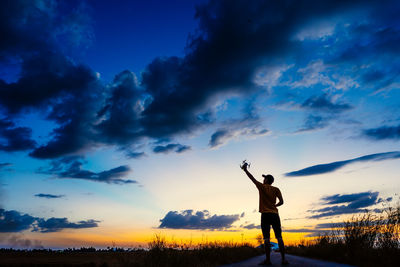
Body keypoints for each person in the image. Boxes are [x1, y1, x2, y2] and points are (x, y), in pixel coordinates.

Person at [241, 161, 288, 265]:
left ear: (267, 180)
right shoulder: (276, 189)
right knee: (279, 237)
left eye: (264, 178)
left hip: (265, 215)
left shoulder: (261, 187)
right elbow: (282, 202)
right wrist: (275, 206)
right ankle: (284, 259)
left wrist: (245, 170)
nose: (263, 179)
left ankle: (268, 260)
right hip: (275, 214)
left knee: (266, 238)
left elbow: (252, 178)